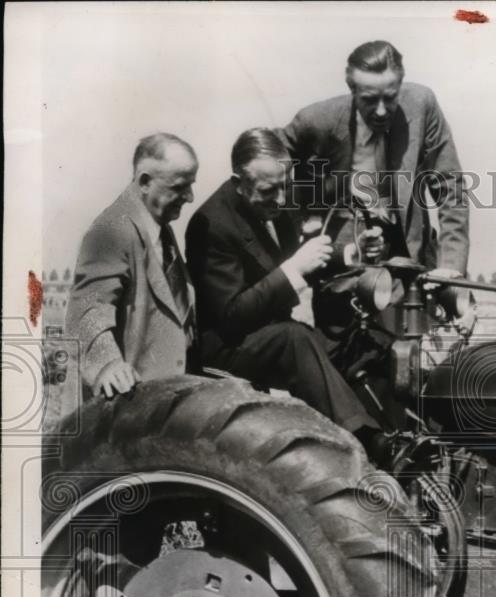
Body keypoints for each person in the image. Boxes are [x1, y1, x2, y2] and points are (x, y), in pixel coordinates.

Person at [185, 127, 382, 445]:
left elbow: (305, 256)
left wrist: (355, 252)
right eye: (269, 191)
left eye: (286, 187)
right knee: (295, 338)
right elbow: (231, 316)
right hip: (226, 346)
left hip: (272, 330)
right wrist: (293, 269)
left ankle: (396, 428)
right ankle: (367, 440)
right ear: (239, 184)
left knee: (359, 339)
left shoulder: (276, 201)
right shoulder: (210, 225)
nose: (281, 200)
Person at [278, 39, 474, 335]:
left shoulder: (422, 105)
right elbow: (267, 159)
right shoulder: (314, 121)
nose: (381, 111)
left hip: (408, 256)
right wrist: (302, 217)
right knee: (346, 354)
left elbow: (451, 189)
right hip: (344, 264)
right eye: (369, 100)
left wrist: (450, 267)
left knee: (410, 354)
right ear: (352, 90)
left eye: (390, 98)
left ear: (401, 86)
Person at [65, 133, 199, 399]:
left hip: (158, 401)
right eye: (180, 187)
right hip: (123, 408)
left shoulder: (159, 228)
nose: (190, 197)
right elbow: (87, 308)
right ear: (145, 182)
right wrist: (108, 365)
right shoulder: (111, 230)